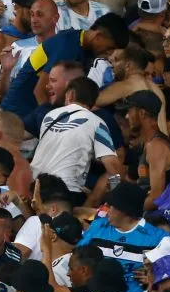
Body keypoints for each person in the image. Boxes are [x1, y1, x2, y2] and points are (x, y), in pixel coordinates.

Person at [0, 13, 129, 118]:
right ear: (98, 36)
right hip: (16, 114)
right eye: (110, 48)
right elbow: (40, 91)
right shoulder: (67, 46)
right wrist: (51, 125)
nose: (109, 54)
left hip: (32, 113)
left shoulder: (86, 51)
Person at [30, 77, 124, 205]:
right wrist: (115, 196)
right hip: (65, 191)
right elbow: (113, 166)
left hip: (35, 187)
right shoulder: (97, 122)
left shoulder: (49, 116)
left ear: (71, 95)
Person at [77, 182, 169, 292]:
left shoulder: (158, 238)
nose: (106, 210)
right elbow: (78, 257)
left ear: (125, 210)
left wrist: (155, 276)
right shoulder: (98, 226)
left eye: (111, 206)